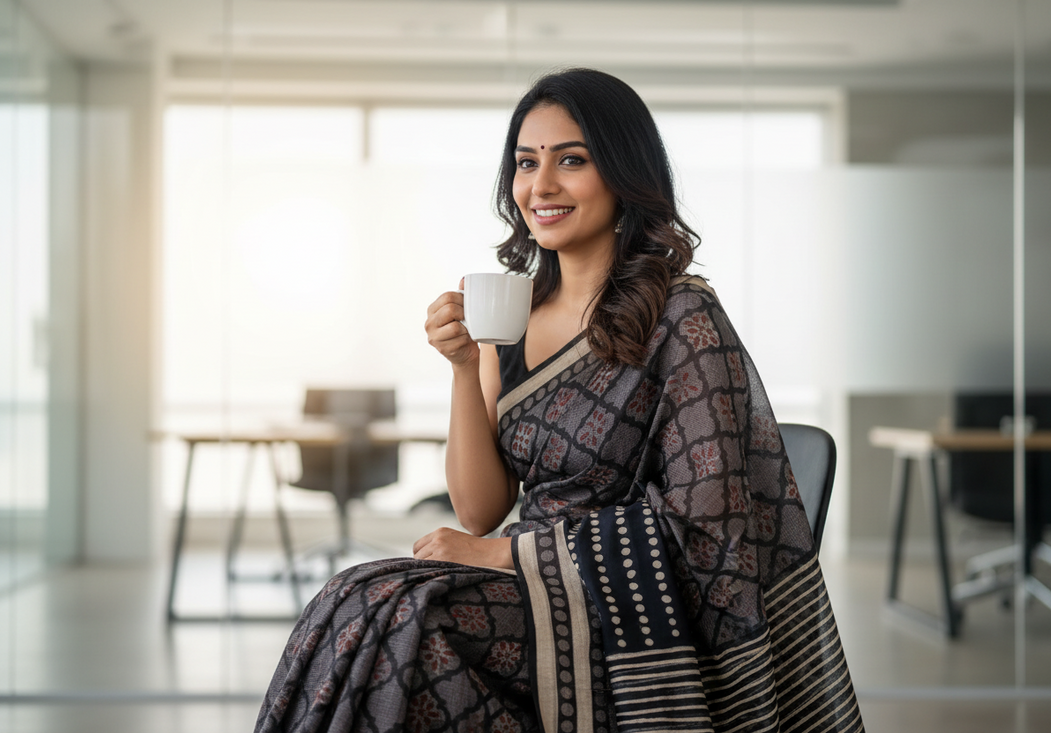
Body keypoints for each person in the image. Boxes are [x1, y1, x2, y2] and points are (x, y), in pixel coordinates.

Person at [254, 68, 864, 733]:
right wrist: (464, 367)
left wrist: (508, 555)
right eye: (526, 163)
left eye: (571, 160)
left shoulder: (680, 316)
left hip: (627, 614)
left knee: (417, 620)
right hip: (529, 586)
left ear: (624, 174)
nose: (540, 186)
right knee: (355, 596)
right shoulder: (514, 316)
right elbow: (479, 510)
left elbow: (705, 528)